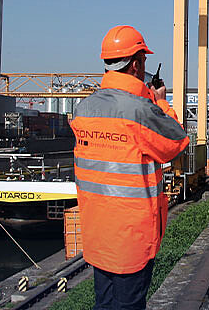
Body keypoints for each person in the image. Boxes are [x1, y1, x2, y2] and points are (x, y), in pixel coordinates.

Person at [70, 25, 189, 310]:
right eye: (144, 61)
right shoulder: (141, 111)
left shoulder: (83, 110)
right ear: (136, 64)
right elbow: (176, 142)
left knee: (104, 303)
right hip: (132, 239)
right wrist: (160, 102)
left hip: (98, 232)